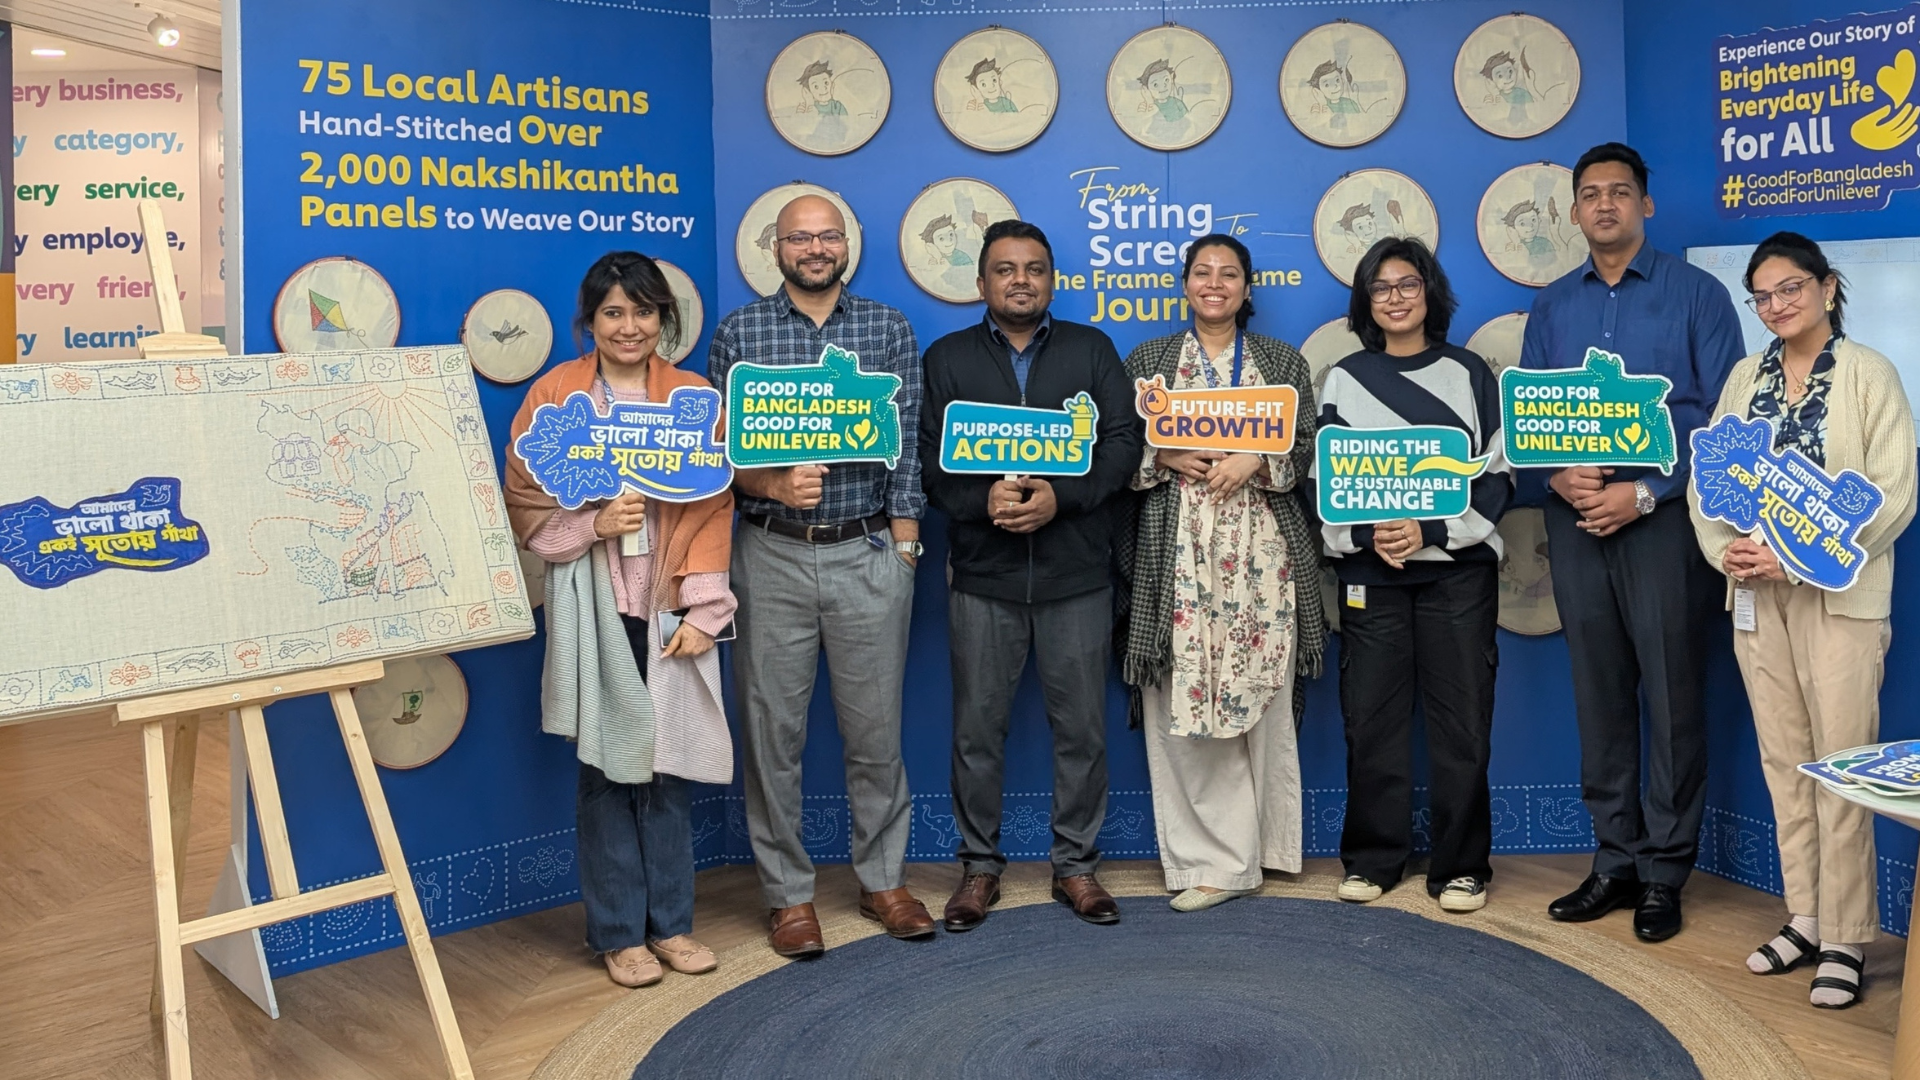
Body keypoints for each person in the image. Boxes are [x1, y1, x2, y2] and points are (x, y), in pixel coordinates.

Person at [1519, 141, 1745, 941]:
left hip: (1663, 519)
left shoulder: (1698, 295)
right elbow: (1530, 420)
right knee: (1600, 692)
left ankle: (1664, 872)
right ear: (1574, 212)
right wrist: (1556, 478)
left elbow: (1724, 418)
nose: (1605, 204)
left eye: (1620, 191)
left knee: (1674, 694)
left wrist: (1646, 491)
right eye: (1590, 194)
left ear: (1645, 204)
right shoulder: (1552, 307)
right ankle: (1614, 860)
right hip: (1575, 520)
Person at [1690, 232, 1916, 1009]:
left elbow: (1894, 492)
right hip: (1756, 597)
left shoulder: (1868, 374)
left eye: (1790, 288)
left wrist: (1799, 560)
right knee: (1784, 759)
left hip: (1838, 599)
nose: (1776, 305)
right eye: (1762, 295)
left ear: (1826, 288)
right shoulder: (1744, 378)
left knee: (1840, 763)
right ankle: (1806, 918)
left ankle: (1847, 937)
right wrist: (1726, 553)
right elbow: (1709, 479)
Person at [707, 194, 935, 957]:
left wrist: (905, 546)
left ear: (846, 245)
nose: (814, 248)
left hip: (866, 550)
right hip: (770, 552)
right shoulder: (740, 333)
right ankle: (788, 896)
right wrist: (771, 483)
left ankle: (883, 880)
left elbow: (907, 444)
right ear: (775, 248)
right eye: (799, 237)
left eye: (827, 235)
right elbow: (716, 456)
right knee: (773, 733)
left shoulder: (887, 328)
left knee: (875, 732)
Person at [505, 251, 735, 988]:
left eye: (642, 311)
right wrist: (592, 524)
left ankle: (671, 924)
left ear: (663, 318)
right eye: (613, 312)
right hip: (595, 607)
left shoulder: (694, 398)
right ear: (591, 320)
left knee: (665, 770)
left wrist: (704, 608)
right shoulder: (555, 394)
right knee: (606, 770)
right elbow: (524, 494)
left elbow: (714, 503)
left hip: (668, 606)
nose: (628, 326)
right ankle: (617, 933)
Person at [919, 220, 1143, 929]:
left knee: (1082, 731)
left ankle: (1075, 867)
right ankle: (979, 869)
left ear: (1052, 280)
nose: (1021, 280)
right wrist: (980, 501)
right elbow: (926, 465)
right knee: (976, 732)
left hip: (1076, 575)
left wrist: (1060, 497)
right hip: (983, 577)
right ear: (981, 282)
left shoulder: (1091, 349)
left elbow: (1122, 445)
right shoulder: (947, 358)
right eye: (1006, 269)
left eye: (1035, 269)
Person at [1120, 234, 1326, 912]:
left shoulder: (1281, 362)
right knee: (1183, 705)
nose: (1215, 283)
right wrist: (1165, 457)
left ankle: (1266, 849)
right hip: (1175, 560)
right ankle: (1210, 861)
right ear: (1185, 284)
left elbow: (1306, 446)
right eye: (1202, 272)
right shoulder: (1149, 363)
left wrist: (1257, 461)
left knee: (1261, 698)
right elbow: (1117, 450)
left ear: (1246, 287)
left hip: (1262, 561)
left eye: (1229, 273)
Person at [1311, 237, 1514, 914]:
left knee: (1463, 725)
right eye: (1381, 287)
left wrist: (1427, 531)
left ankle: (1462, 867)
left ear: (1430, 292)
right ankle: (1373, 860)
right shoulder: (1342, 380)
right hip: (1371, 576)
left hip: (1457, 576)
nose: (1395, 298)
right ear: (1364, 301)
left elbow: (1496, 477)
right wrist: (1370, 535)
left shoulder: (1469, 373)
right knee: (1370, 722)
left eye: (1407, 284)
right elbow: (1322, 483)